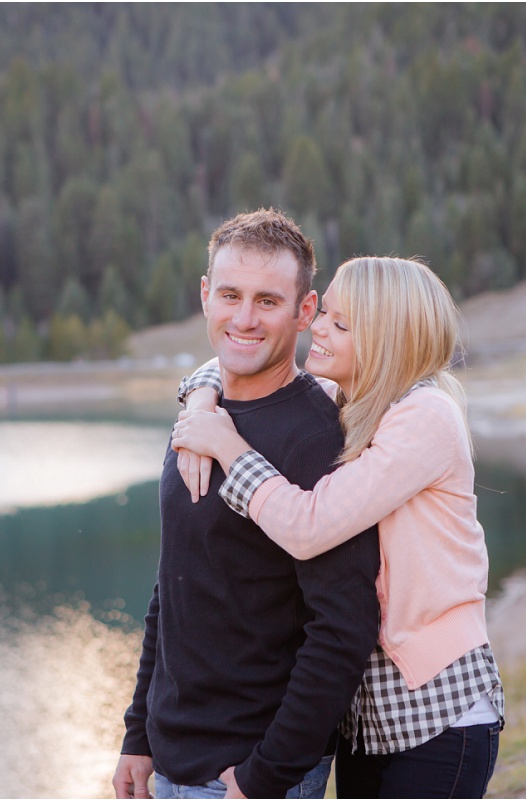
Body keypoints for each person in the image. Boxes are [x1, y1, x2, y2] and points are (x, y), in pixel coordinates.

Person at [171, 256, 505, 799]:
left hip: (437, 710)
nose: (317, 328)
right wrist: (204, 394)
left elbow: (309, 526)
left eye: (341, 324)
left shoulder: (424, 416)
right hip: (366, 716)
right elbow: (226, 364)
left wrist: (227, 446)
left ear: (387, 339)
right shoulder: (349, 403)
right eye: (324, 312)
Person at [112, 209, 381, 800]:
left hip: (247, 774)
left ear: (304, 312)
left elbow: (342, 629)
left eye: (267, 300)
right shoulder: (199, 416)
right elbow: (175, 583)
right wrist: (139, 734)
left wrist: (266, 777)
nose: (243, 318)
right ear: (205, 296)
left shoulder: (317, 441)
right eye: (230, 295)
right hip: (171, 763)